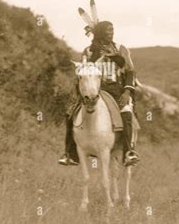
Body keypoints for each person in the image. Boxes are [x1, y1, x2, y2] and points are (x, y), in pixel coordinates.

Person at [58, 20, 140, 167]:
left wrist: (127, 91)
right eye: (108, 30)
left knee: (126, 113)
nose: (111, 33)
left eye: (112, 30)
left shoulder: (121, 49)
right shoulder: (89, 51)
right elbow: (82, 71)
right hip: (94, 89)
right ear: (101, 33)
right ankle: (70, 154)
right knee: (70, 113)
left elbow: (130, 71)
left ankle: (128, 152)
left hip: (116, 91)